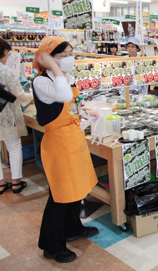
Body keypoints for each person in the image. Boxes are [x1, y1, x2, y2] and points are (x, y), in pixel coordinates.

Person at [32, 36, 98, 264]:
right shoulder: (41, 81)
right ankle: (52, 245)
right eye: (64, 55)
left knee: (76, 191)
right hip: (58, 145)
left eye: (72, 54)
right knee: (60, 197)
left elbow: (72, 103)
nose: (70, 59)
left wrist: (86, 113)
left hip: (74, 139)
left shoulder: (65, 77)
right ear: (49, 59)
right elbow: (63, 96)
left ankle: (73, 228)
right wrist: (51, 66)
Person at [0, 38, 32, 194]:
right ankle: (16, 182)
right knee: (13, 146)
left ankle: (0, 183)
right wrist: (33, 96)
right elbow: (18, 94)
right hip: (6, 114)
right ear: (5, 52)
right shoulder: (6, 71)